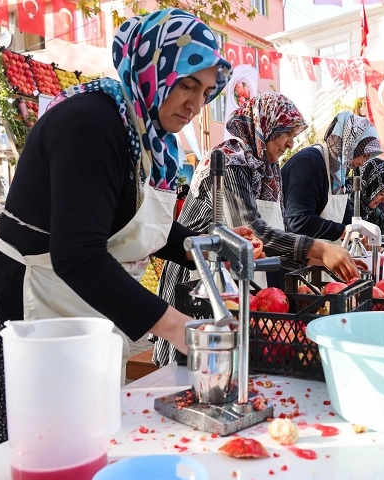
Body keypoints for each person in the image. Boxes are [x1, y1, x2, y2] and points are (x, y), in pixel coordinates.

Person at [0, 9, 238, 463]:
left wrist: (209, 247)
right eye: (186, 84)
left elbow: (135, 227)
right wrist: (179, 328)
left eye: (205, 91)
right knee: (27, 465)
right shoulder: (91, 123)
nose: (195, 104)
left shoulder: (148, 136)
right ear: (153, 67)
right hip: (19, 310)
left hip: (69, 310)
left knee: (78, 457)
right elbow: (78, 255)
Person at [153, 93, 362, 366]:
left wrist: (319, 259)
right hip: (198, 279)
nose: (291, 142)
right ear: (265, 125)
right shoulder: (230, 160)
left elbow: (276, 235)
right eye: (285, 132)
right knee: (191, 367)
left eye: (294, 134)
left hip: (238, 279)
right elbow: (252, 233)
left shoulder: (267, 169)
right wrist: (319, 249)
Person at [281, 111, 383, 243]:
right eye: (364, 155)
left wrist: (362, 236)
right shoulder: (309, 163)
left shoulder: (338, 174)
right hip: (292, 257)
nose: (362, 163)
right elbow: (299, 220)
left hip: (319, 257)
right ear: (351, 144)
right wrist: (345, 232)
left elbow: (345, 219)